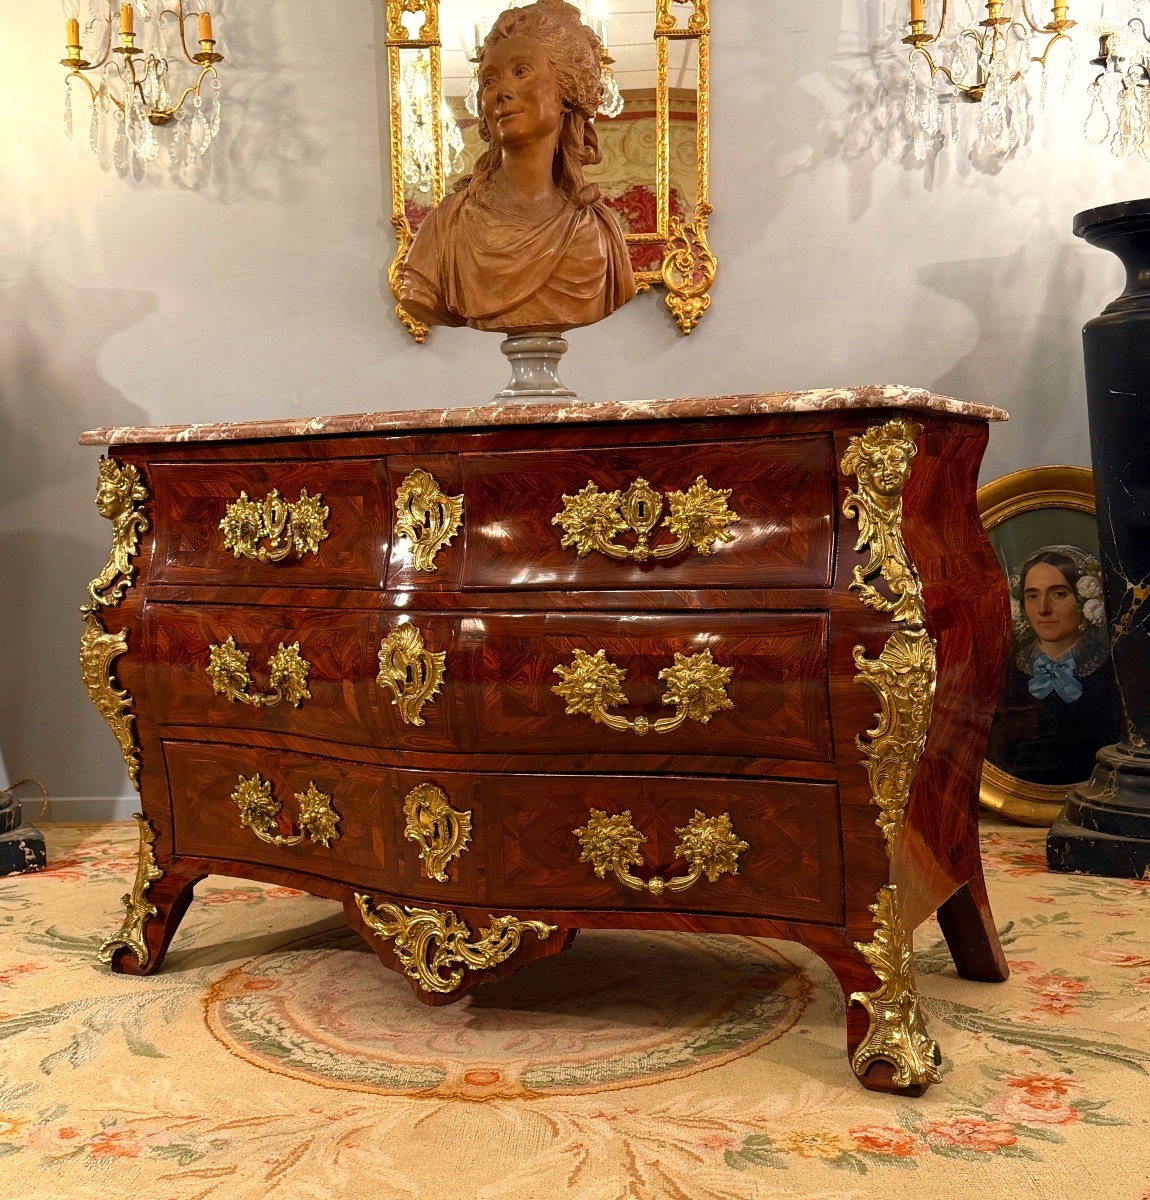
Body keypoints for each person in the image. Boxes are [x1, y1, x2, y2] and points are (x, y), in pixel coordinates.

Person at [397, 0, 636, 334]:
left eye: (520, 72)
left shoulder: (598, 232)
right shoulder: (448, 226)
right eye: (489, 81)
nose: (502, 91)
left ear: (565, 91)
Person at [986, 546, 1124, 787]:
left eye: (1058, 594)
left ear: (1087, 601)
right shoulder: (1003, 674)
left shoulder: (1114, 673)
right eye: (1032, 595)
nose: (1043, 609)